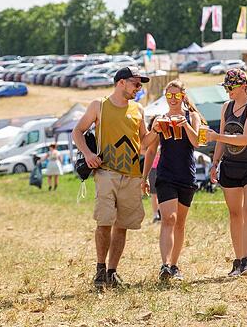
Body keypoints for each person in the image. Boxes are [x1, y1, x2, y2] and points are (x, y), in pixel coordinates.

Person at [72, 66, 156, 289]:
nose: (139, 89)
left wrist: (157, 130)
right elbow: (77, 131)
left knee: (123, 225)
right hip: (106, 173)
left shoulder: (138, 109)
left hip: (132, 175)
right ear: (121, 83)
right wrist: (88, 154)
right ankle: (100, 270)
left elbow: (144, 143)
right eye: (136, 84)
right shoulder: (99, 105)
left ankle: (112, 272)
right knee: (104, 222)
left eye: (140, 85)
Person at [205, 69, 247, 277]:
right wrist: (214, 163)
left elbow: (245, 139)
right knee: (234, 214)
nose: (228, 91)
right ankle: (238, 260)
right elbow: (222, 141)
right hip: (231, 166)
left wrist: (217, 136)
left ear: (243, 86)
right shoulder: (226, 107)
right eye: (226, 87)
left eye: (230, 87)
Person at [145, 80, 205, 281]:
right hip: (165, 175)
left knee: (180, 223)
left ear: (183, 96)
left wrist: (185, 124)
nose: (172, 99)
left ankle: (174, 265)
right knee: (168, 218)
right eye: (169, 96)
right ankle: (164, 265)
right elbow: (149, 148)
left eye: (176, 96)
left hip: (186, 175)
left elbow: (198, 142)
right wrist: (144, 176)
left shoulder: (192, 116)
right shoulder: (159, 119)